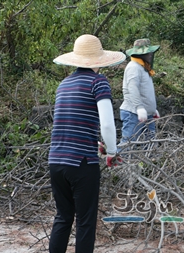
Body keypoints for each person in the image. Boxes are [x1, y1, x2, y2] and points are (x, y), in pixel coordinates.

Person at [49, 34, 126, 252]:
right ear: (99, 61)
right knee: (85, 222)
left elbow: (72, 124)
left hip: (56, 161)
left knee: (63, 217)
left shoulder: (63, 85)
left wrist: (96, 143)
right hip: (82, 164)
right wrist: (111, 151)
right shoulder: (98, 82)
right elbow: (108, 125)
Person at [117, 38, 160, 155]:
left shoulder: (143, 67)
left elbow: (144, 90)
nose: (150, 55)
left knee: (151, 143)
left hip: (147, 113)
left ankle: (151, 168)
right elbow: (132, 89)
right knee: (128, 144)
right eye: (148, 53)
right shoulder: (133, 67)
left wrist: (152, 108)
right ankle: (117, 168)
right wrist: (139, 107)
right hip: (133, 113)